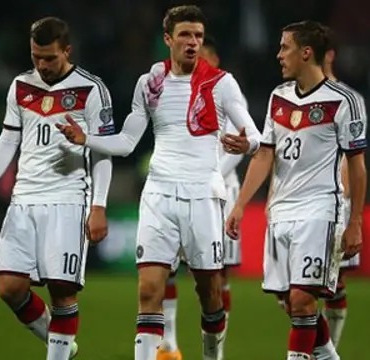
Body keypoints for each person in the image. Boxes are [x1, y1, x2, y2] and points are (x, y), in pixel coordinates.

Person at [56, 6, 261, 360]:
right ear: (168, 39)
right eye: (185, 35)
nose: (193, 42)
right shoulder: (150, 83)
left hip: (203, 197)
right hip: (159, 195)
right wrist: (85, 138)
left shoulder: (221, 83)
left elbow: (253, 132)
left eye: (197, 35)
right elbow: (127, 141)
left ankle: (213, 356)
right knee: (149, 290)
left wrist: (249, 143)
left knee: (210, 294)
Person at [0, 17, 114, 360]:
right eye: (36, 57)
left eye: (49, 57)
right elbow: (8, 139)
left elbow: (104, 151)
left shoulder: (91, 89)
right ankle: (63, 345)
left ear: (67, 50)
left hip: (68, 200)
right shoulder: (21, 85)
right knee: (9, 287)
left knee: (62, 291)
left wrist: (99, 205)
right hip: (24, 199)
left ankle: (58, 353)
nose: (42, 65)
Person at [224, 20, 368, 360]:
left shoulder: (343, 101)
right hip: (281, 210)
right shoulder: (279, 97)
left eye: (284, 47)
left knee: (304, 299)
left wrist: (356, 221)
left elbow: (358, 166)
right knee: (290, 302)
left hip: (320, 210)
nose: (278, 55)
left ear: (306, 53)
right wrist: (241, 204)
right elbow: (264, 154)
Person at [159, 35, 245, 360]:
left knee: (215, 274)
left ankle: (216, 351)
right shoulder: (177, 94)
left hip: (220, 191)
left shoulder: (227, 94)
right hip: (182, 190)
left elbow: (246, 143)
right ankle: (168, 343)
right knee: (169, 265)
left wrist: (211, 174)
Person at [320, 25, 364, 347]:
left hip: (335, 201)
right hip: (294, 203)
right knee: (288, 291)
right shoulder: (286, 97)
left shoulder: (348, 100)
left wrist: (347, 206)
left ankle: (327, 349)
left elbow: (355, 157)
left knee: (334, 283)